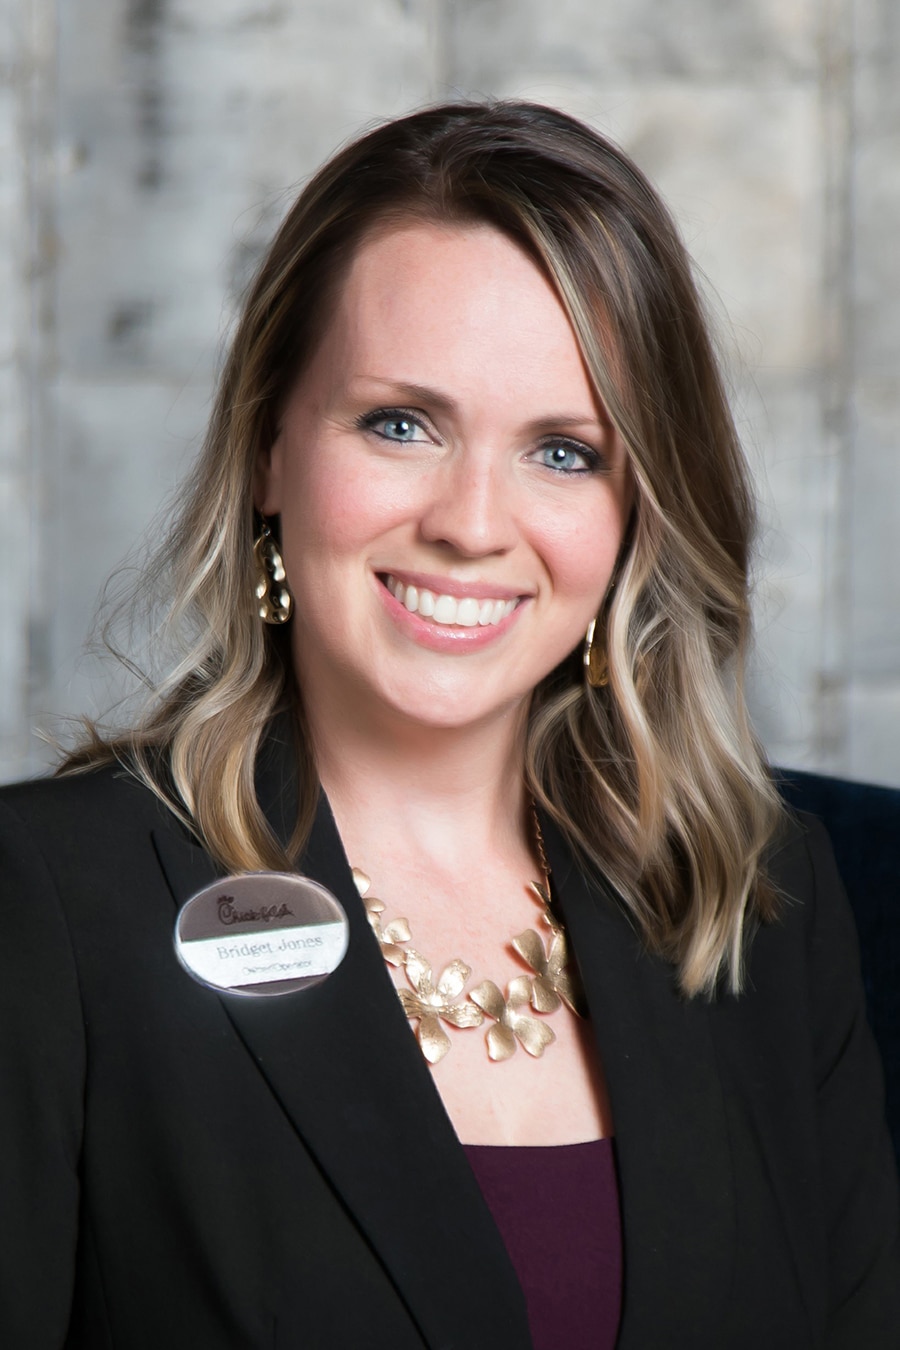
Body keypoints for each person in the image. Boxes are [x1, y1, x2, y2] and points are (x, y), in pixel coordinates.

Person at [1, 101, 897, 1350]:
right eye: (400, 424)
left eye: (565, 452)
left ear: (641, 512)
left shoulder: (762, 900)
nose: (472, 524)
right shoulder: (47, 902)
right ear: (268, 449)